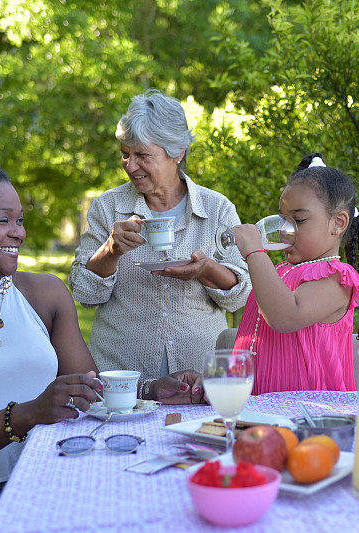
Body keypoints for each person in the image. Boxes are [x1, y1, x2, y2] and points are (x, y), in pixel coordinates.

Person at [0, 155, 204, 533]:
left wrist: (150, 389)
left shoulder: (44, 293)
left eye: (20, 220)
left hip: (55, 473)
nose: (18, 232)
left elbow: (87, 385)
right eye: (3, 220)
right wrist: (27, 414)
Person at [69, 88, 251, 390]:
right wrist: (111, 251)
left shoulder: (217, 208)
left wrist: (206, 270)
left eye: (142, 155)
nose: (130, 165)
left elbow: (240, 295)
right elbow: (85, 295)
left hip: (200, 379)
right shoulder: (107, 207)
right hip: (122, 378)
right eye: (125, 154)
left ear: (177, 152)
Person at [230, 153, 359, 394]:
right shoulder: (278, 272)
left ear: (338, 223)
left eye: (299, 220)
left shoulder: (338, 277)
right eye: (283, 220)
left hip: (308, 416)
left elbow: (285, 316)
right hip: (255, 411)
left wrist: (255, 251)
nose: (286, 231)